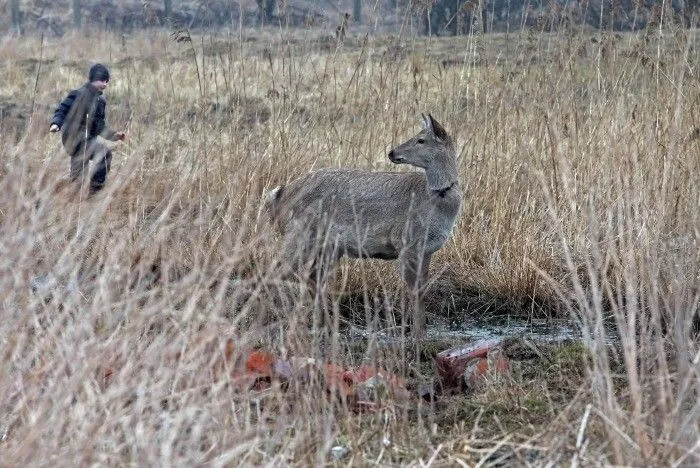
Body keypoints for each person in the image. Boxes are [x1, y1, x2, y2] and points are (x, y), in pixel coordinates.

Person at [50, 63, 126, 194]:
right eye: (102, 80)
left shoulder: (100, 101)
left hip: (88, 140)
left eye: (106, 81)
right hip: (73, 137)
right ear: (93, 79)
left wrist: (114, 136)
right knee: (100, 153)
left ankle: (90, 190)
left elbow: (99, 126)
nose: (105, 84)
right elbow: (62, 109)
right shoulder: (78, 94)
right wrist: (56, 123)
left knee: (91, 163)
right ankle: (90, 191)